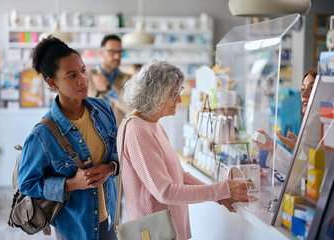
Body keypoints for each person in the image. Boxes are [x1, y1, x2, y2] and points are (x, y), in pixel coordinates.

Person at [117, 59, 254, 240]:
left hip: (169, 229)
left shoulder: (152, 124)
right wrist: (223, 189)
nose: (180, 99)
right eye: (174, 94)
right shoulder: (137, 131)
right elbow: (165, 191)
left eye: (179, 92)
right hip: (156, 233)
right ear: (155, 93)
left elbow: (179, 175)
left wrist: (219, 196)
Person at [18, 36, 119, 240]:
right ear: (52, 82)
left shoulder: (103, 109)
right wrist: (71, 184)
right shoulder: (42, 134)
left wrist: (109, 169)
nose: (82, 79)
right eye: (71, 75)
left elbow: (118, 153)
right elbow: (27, 184)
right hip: (74, 228)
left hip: (109, 218)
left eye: (82, 70)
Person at [255, 68, 318, 173]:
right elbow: (298, 168)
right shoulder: (311, 125)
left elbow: (317, 171)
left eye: (311, 88)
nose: (303, 94)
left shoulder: (327, 128)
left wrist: (300, 148)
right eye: (303, 89)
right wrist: (272, 146)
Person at [87, 34, 131, 124]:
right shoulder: (87, 76)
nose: (117, 57)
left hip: (117, 134)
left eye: (119, 52)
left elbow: (131, 108)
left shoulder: (127, 79)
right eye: (112, 52)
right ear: (101, 53)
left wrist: (108, 89)